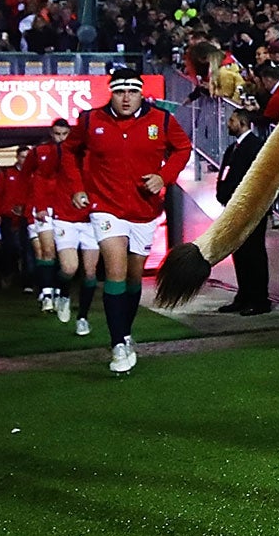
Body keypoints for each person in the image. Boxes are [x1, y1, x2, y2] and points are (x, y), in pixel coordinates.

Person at [63, 64, 193, 374]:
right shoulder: (90, 119)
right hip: (105, 207)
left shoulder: (160, 119)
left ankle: (125, 332)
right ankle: (118, 343)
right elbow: (69, 151)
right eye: (120, 91)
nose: (126, 98)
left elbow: (183, 148)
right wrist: (78, 188)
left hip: (144, 210)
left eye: (132, 92)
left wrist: (164, 177)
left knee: (135, 276)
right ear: (111, 92)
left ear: (140, 93)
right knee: (116, 269)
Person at [213, 104, 272, 316]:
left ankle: (259, 299)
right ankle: (244, 295)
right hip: (234, 209)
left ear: (243, 122)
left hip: (252, 209)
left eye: (232, 120)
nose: (228, 124)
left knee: (254, 252)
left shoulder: (256, 146)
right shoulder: (233, 149)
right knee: (240, 253)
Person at [19, 118, 79, 322]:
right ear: (51, 133)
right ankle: (46, 293)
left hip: (65, 208)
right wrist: (32, 204)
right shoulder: (39, 152)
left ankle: (58, 290)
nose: (60, 138)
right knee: (46, 250)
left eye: (64, 134)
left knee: (65, 258)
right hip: (43, 208)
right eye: (57, 134)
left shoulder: (75, 153)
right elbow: (27, 177)